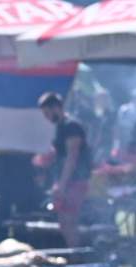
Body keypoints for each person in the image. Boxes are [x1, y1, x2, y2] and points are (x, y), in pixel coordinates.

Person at [37, 91, 92, 247]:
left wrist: (62, 184)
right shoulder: (61, 127)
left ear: (57, 108)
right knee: (64, 223)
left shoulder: (71, 126)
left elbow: (72, 157)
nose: (47, 117)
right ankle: (74, 256)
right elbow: (61, 155)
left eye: (48, 112)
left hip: (75, 181)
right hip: (66, 181)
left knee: (69, 222)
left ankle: (77, 259)